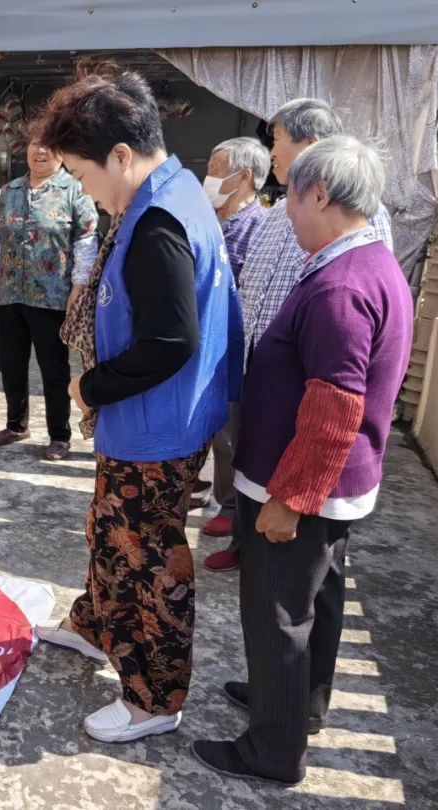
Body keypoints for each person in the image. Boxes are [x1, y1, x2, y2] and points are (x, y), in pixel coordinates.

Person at [192, 136, 413, 785]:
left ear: (318, 194)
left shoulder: (341, 287)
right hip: (341, 482)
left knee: (277, 612)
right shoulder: (368, 262)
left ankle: (272, 750)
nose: (286, 212)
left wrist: (290, 500)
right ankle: (300, 703)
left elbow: (334, 407)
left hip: (301, 483)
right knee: (320, 595)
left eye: (289, 196)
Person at [32, 65, 242, 743]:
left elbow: (172, 339)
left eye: (82, 174)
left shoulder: (157, 223)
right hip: (149, 421)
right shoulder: (171, 191)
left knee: (148, 562)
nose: (84, 191)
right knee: (108, 532)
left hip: (158, 427)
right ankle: (94, 625)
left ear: (120, 155)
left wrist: (91, 387)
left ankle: (154, 697)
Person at [210, 98, 394, 573]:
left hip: (309, 370)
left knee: (296, 465)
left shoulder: (359, 222)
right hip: (261, 361)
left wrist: (296, 497)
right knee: (251, 453)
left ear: (310, 143)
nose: (270, 151)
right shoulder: (279, 211)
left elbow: (342, 378)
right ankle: (245, 537)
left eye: (277, 139)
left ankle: (276, 538)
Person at [0, 136, 98, 460]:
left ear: (61, 153)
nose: (40, 151)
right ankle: (16, 425)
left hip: (53, 298)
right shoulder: (10, 191)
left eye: (49, 145)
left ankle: (59, 435)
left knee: (53, 369)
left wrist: (78, 288)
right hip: (10, 295)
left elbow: (86, 241)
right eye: (35, 144)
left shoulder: (75, 190)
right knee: (10, 363)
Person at [197, 137, 270, 569]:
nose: (208, 178)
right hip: (202, 343)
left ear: (244, 177)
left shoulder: (259, 228)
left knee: (229, 435)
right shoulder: (211, 219)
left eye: (215, 170)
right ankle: (204, 489)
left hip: (232, 349)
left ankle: (229, 506)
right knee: (206, 427)